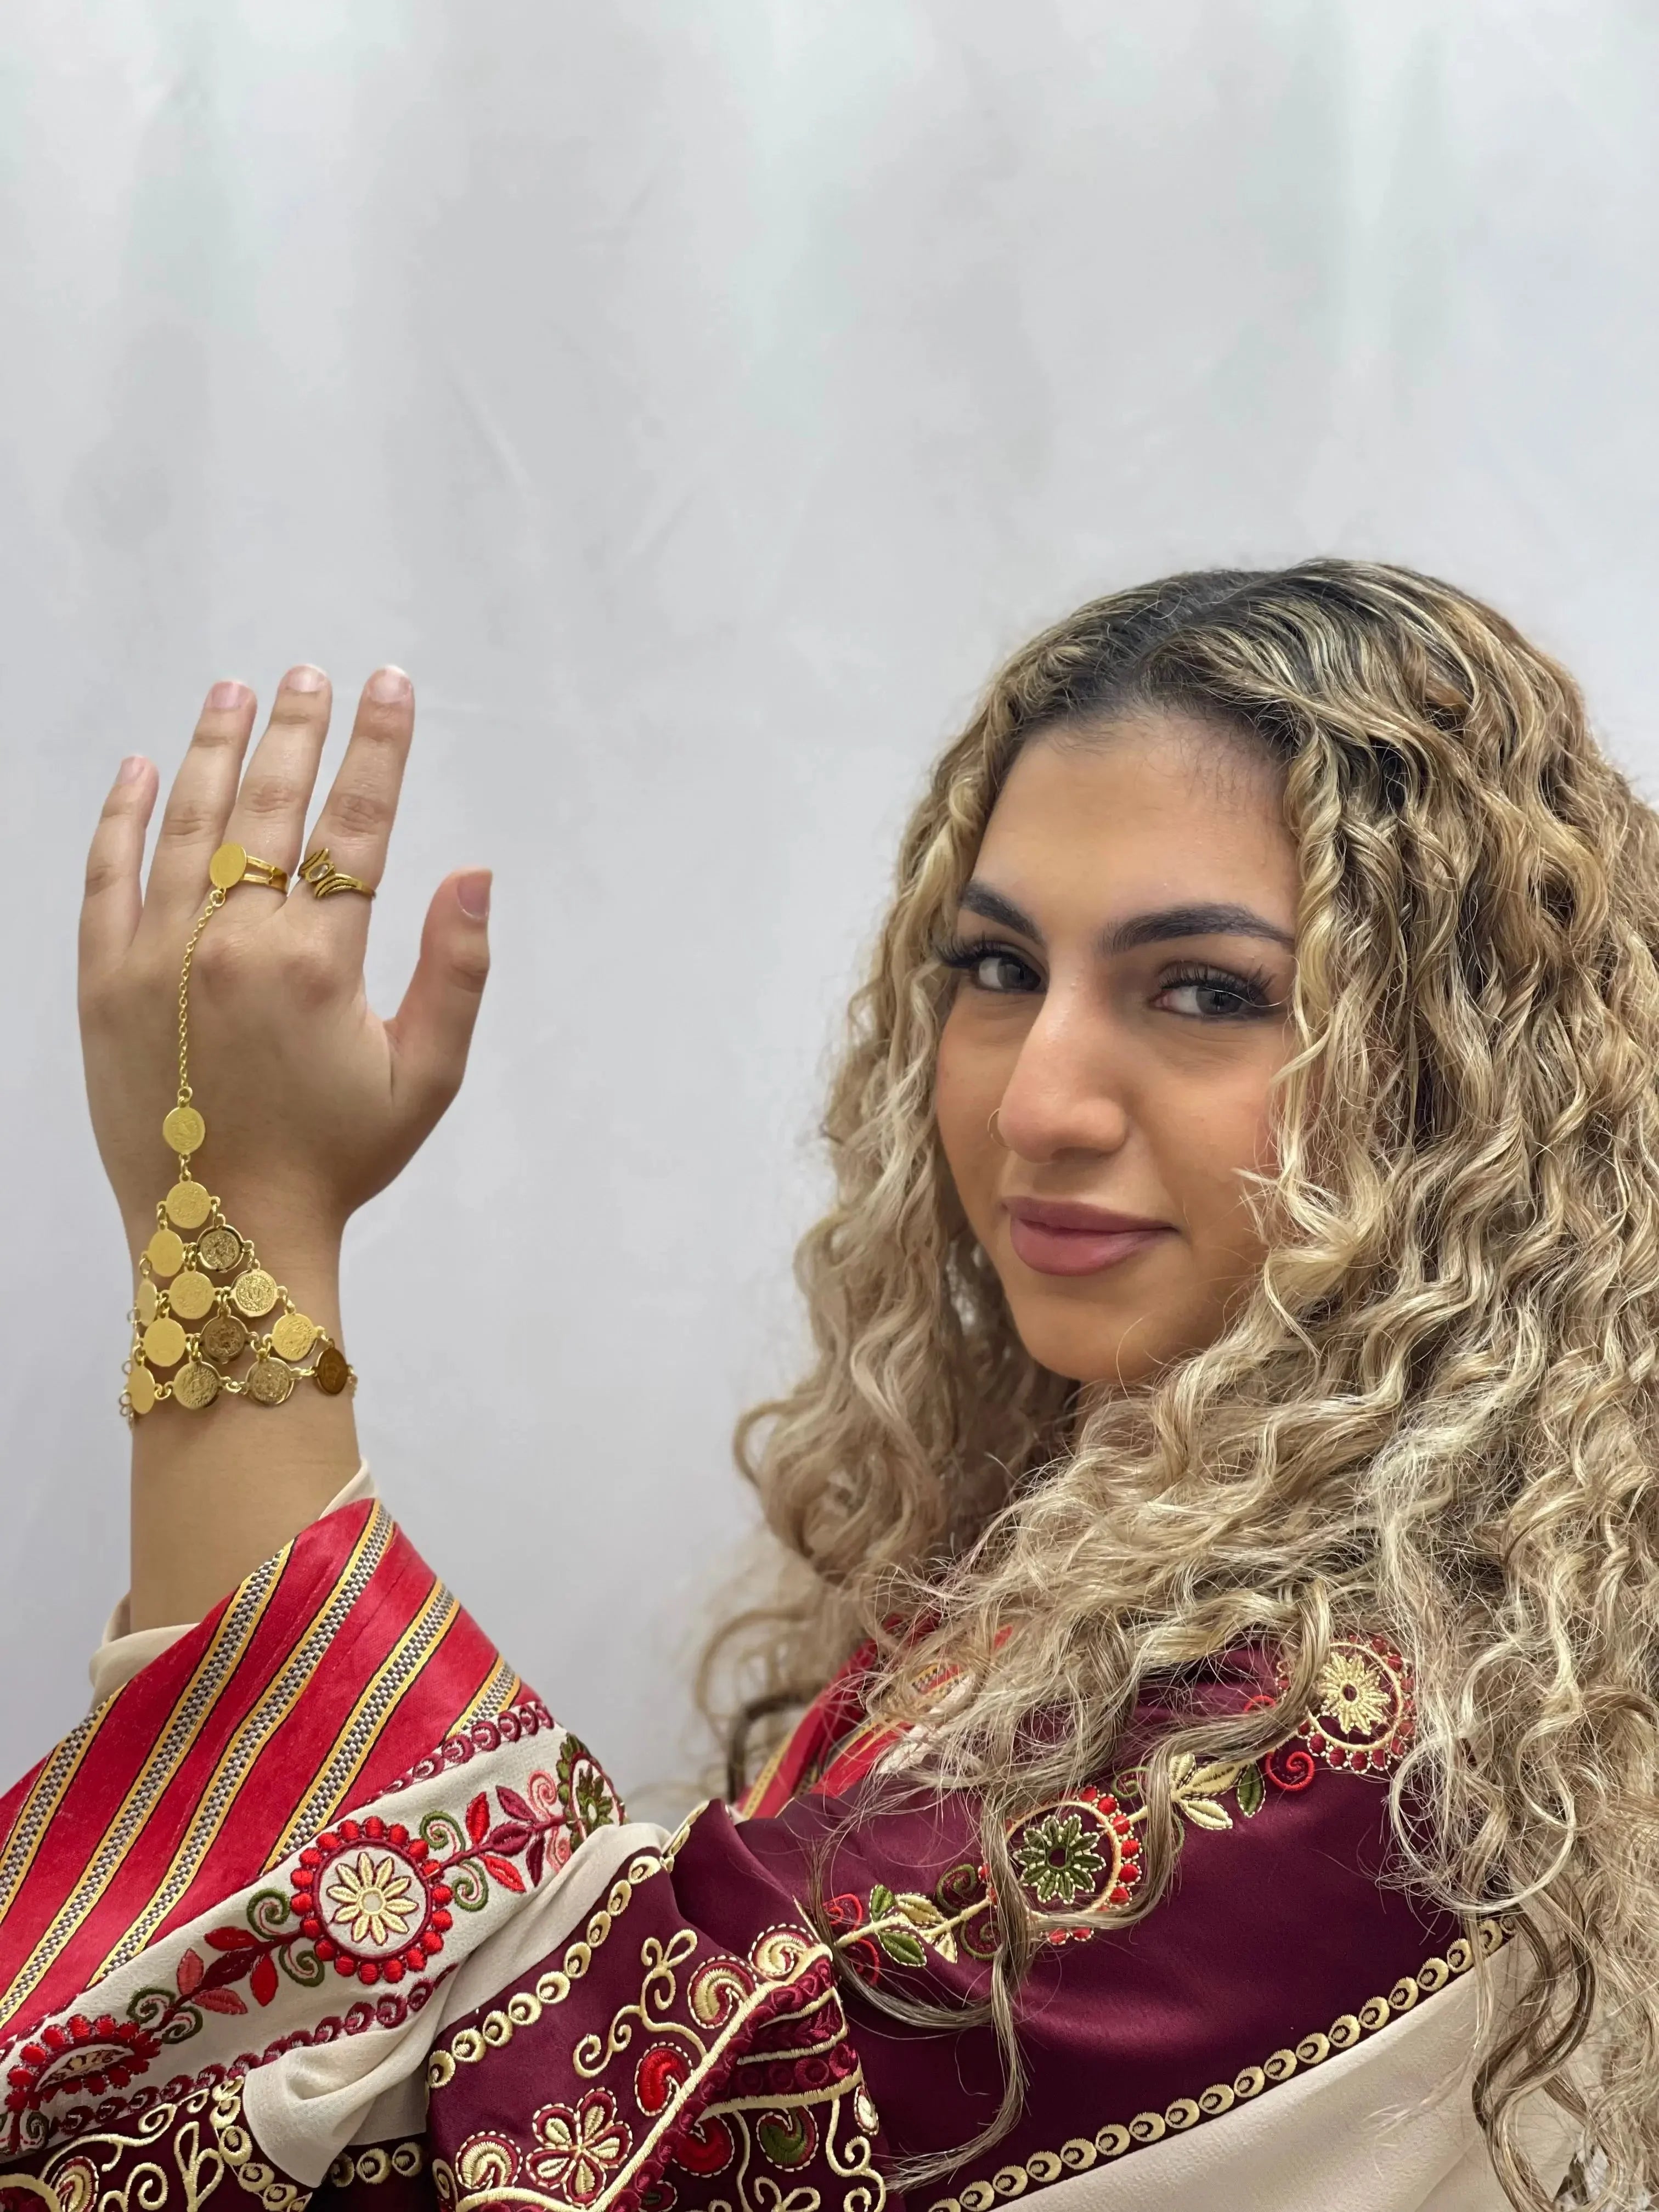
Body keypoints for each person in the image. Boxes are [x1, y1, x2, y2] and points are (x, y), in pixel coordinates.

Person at [0, 560, 1639, 2212]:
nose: (1039, 1101)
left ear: (1455, 1087)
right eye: (998, 969)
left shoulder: (1343, 1750)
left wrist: (237, 1228)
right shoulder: (1040, 1601)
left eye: (1205, 991)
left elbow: (498, 2129)